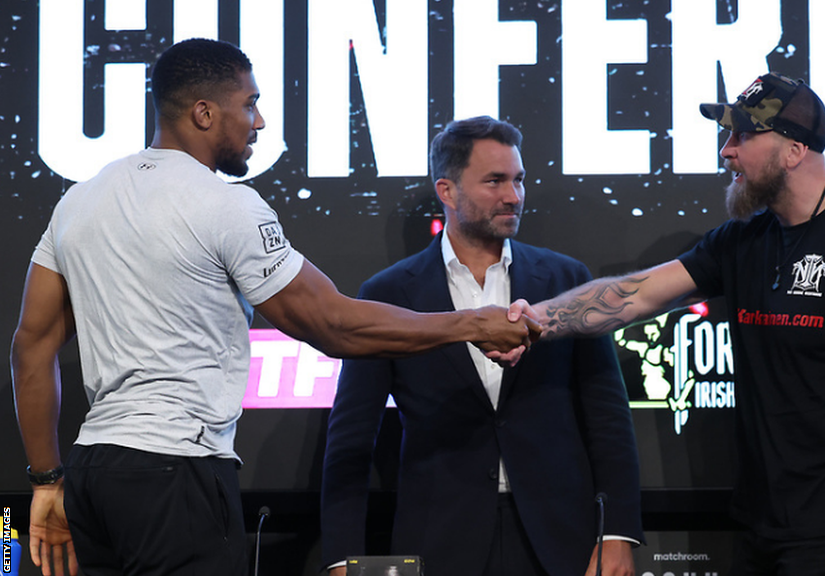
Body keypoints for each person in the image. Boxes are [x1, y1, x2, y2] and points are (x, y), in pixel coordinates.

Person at [10, 39, 536, 576]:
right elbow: (332, 324)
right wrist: (470, 323)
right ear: (204, 113)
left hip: (95, 470)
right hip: (177, 471)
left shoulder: (79, 201)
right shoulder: (225, 204)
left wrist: (46, 481)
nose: (258, 121)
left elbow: (31, 346)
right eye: (249, 103)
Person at [499, 73, 825, 576]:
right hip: (761, 529)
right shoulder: (742, 240)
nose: (727, 151)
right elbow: (634, 296)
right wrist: (534, 320)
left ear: (794, 151)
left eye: (743, 135)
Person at [320, 116, 644, 576]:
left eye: (518, 180)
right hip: (440, 542)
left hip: (562, 540)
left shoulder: (565, 280)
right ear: (447, 191)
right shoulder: (389, 294)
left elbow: (607, 415)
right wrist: (340, 557)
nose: (513, 196)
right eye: (494, 181)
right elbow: (352, 434)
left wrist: (616, 532)